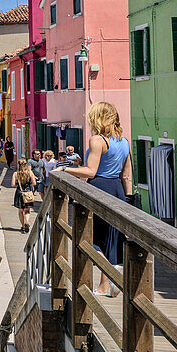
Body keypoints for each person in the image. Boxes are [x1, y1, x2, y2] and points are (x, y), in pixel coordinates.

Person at [64, 101, 133, 297]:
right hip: (117, 191)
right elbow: (126, 176)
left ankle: (109, 278)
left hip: (100, 188)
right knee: (110, 238)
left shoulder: (97, 140)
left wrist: (63, 169)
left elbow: (90, 171)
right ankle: (106, 284)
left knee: (92, 239)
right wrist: (126, 201)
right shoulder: (124, 141)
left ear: (98, 118)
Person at [11, 160, 38, 232]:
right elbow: (34, 183)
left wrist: (18, 185)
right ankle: (27, 222)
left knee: (20, 211)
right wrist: (29, 185)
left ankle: (23, 226)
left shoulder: (15, 174)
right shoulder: (30, 173)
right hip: (28, 193)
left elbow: (13, 184)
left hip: (20, 193)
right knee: (27, 210)